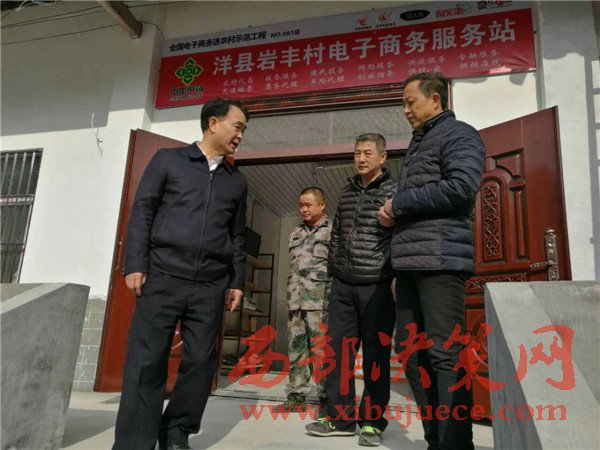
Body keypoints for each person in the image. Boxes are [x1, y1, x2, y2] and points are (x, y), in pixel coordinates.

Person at [113, 98, 250, 450]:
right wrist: (135, 263)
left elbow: (237, 235)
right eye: (237, 127)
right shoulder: (168, 161)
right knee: (146, 361)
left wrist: (236, 281)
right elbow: (143, 212)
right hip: (162, 275)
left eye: (243, 130)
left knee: (201, 362)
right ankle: (135, 442)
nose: (240, 135)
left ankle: (176, 433)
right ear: (213, 123)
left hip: (210, 284)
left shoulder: (236, 181)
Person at [378, 72, 485, 450]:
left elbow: (461, 187)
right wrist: (396, 269)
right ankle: (435, 441)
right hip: (410, 266)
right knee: (412, 356)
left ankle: (456, 443)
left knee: (445, 355)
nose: (405, 110)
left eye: (410, 102)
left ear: (435, 99)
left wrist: (398, 203)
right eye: (403, 104)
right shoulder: (419, 142)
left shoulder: (459, 134)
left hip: (440, 261)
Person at [305, 133, 397, 447]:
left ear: (382, 157)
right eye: (357, 153)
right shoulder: (346, 192)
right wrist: (334, 269)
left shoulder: (394, 191)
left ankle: (372, 422)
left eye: (367, 153)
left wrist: (393, 274)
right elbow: (337, 235)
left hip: (377, 284)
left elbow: (399, 236)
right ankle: (340, 419)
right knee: (338, 354)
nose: (360, 158)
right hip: (343, 285)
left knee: (375, 357)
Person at [278, 187, 332, 413]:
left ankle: (327, 398)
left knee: (321, 351)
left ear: (322, 205)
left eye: (308, 205)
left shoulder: (333, 231)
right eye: (301, 205)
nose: (303, 209)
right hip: (295, 301)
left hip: (319, 302)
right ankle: (296, 396)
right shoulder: (295, 233)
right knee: (296, 349)